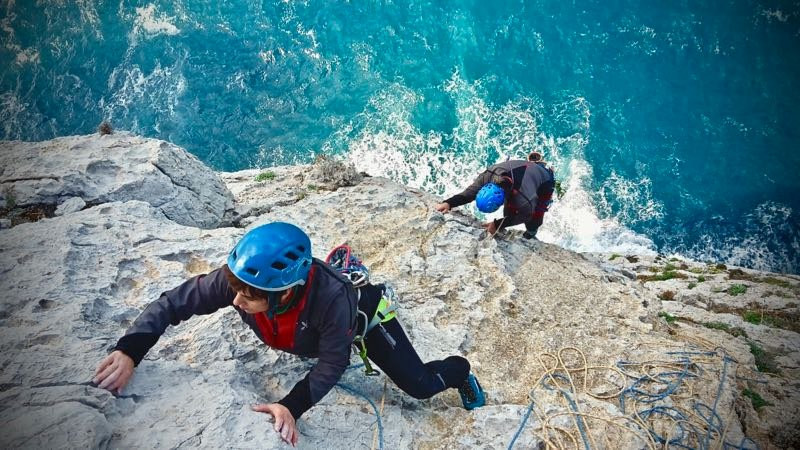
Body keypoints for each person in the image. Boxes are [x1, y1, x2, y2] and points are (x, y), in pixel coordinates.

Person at [93, 222, 485, 447]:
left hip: (363, 320)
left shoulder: (332, 302)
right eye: (238, 291)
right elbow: (174, 302)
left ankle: (460, 372)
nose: (236, 302)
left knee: (419, 385)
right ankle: (344, 264)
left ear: (284, 292)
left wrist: (291, 405)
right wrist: (131, 349)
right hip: (313, 317)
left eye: (248, 297)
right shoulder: (243, 280)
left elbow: (334, 362)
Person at [435, 151, 556, 239]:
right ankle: (534, 164)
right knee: (508, 213)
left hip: (544, 182)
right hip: (518, 174)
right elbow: (469, 194)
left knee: (535, 219)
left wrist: (497, 224)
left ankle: (531, 233)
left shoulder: (523, 198)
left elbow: (526, 216)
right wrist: (448, 203)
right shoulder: (488, 175)